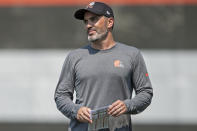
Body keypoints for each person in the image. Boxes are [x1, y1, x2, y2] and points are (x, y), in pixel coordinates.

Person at [54, 1, 153, 131]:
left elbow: (145, 92)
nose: (88, 25)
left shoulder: (132, 54)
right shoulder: (74, 57)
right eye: (86, 21)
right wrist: (76, 110)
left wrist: (127, 105)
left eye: (93, 19)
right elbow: (60, 96)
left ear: (110, 22)